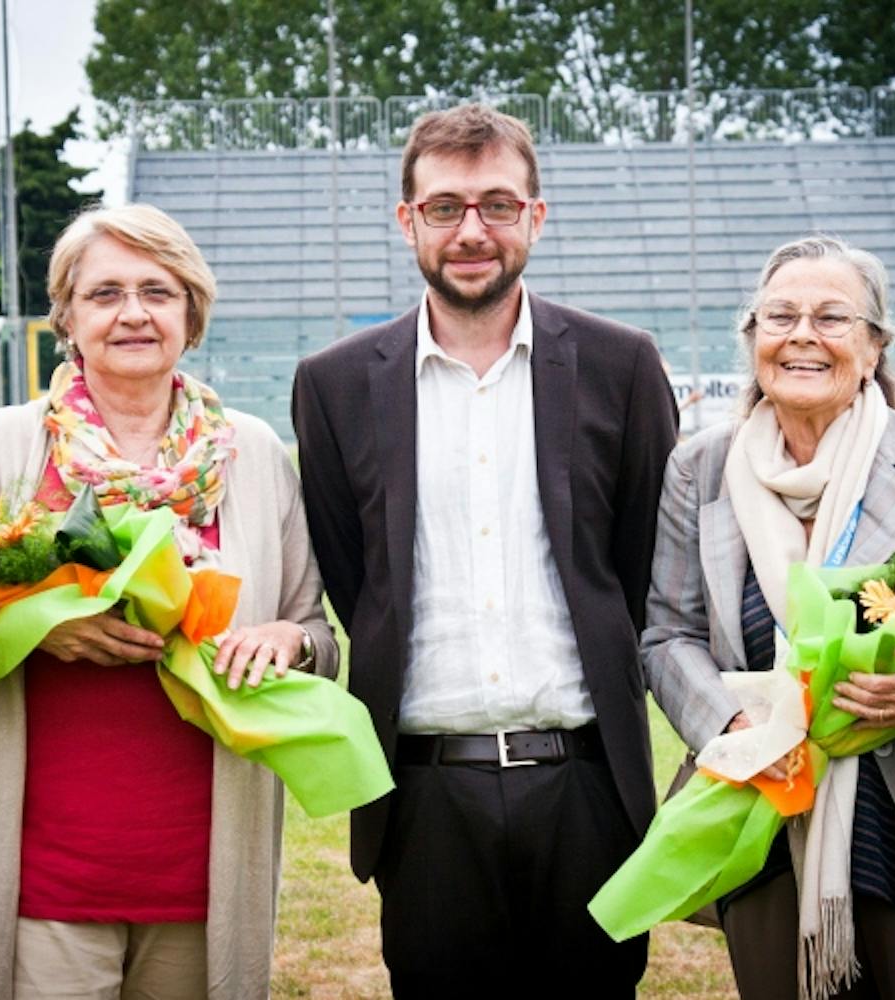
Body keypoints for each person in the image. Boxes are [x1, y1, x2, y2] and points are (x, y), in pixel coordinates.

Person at [291, 103, 679, 996]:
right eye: (445, 207)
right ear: (408, 221)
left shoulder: (623, 366)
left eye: (498, 205)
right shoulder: (335, 384)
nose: (473, 231)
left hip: (586, 784)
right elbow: (361, 585)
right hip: (425, 798)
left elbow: (640, 563)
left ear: (535, 217)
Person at [0, 203, 338, 1000]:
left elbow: (318, 634)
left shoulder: (253, 457)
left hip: (204, 865)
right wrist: (36, 630)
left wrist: (289, 640)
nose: (133, 313)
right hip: (49, 870)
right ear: (67, 317)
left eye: (158, 291)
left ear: (191, 313)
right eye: (105, 294)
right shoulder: (5, 448)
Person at [642, 234, 895, 1000]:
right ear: (754, 340)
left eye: (833, 318)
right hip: (772, 821)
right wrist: (734, 732)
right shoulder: (700, 468)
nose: (803, 335)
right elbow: (668, 633)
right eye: (781, 316)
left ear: (873, 348)